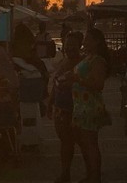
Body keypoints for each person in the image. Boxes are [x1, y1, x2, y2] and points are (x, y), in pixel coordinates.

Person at [71, 28, 111, 183]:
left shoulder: (98, 61)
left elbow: (98, 84)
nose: (84, 41)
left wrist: (77, 79)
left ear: (97, 42)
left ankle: (95, 177)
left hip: (90, 106)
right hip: (81, 105)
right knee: (84, 143)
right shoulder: (88, 58)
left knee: (90, 144)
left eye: (88, 39)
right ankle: (90, 174)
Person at [47, 31, 84, 183]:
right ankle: (65, 173)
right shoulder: (63, 62)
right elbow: (55, 86)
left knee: (84, 143)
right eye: (67, 46)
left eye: (73, 46)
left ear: (80, 46)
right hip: (61, 108)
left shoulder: (82, 64)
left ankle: (92, 174)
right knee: (65, 143)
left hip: (77, 108)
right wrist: (50, 103)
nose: (70, 49)